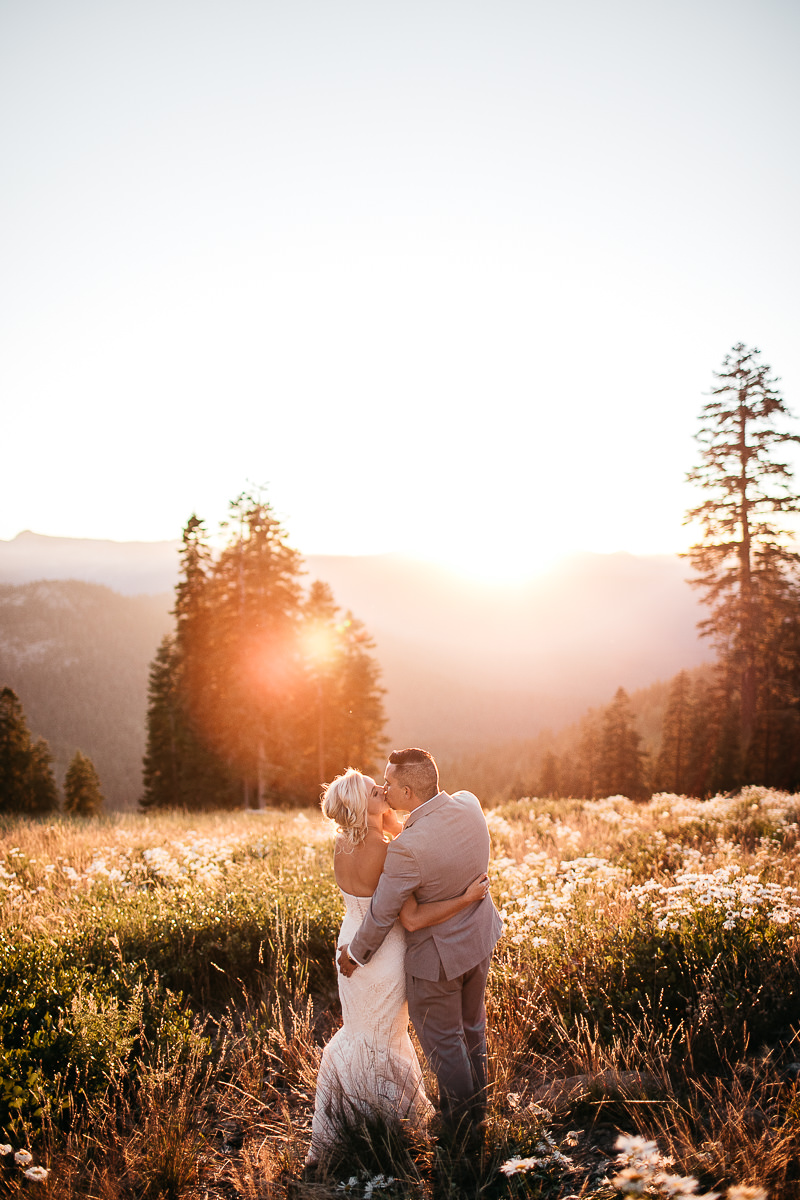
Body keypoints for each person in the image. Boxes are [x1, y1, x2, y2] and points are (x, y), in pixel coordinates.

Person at [307, 767, 490, 1166]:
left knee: (360, 1030)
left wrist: (383, 818)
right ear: (361, 805)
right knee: (388, 1034)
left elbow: (364, 898)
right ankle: (389, 1122)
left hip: (348, 943)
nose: (384, 791)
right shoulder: (388, 850)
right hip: (380, 952)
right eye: (376, 791)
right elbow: (412, 918)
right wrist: (467, 897)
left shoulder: (342, 844)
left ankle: (350, 1115)